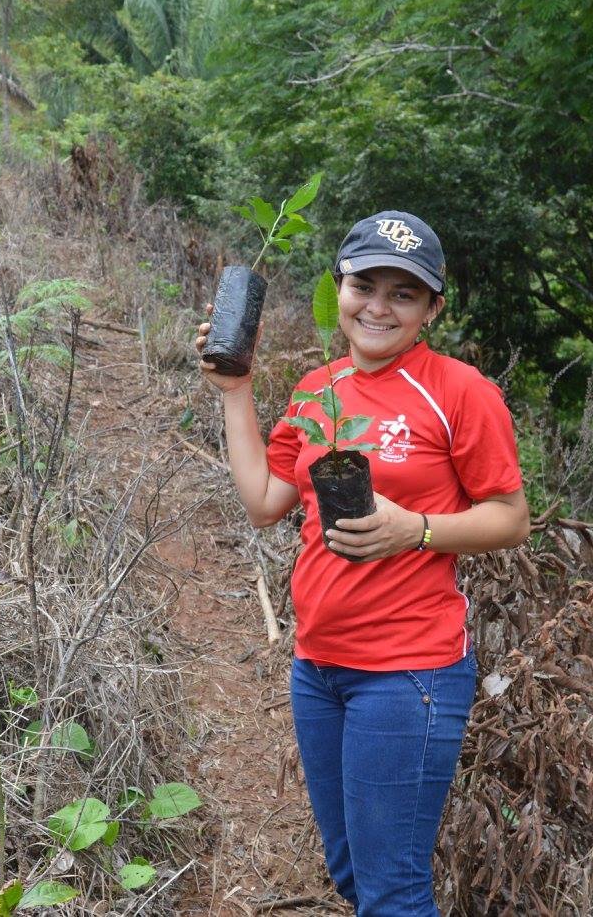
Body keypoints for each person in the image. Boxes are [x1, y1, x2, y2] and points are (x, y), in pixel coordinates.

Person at [196, 210, 529, 916]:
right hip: (317, 669)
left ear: (430, 308)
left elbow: (509, 516)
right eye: (364, 284)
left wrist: (418, 528)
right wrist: (235, 391)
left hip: (408, 672)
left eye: (402, 293)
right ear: (338, 287)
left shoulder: (459, 391)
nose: (378, 306)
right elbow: (263, 500)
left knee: (391, 892)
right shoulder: (318, 390)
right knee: (353, 875)